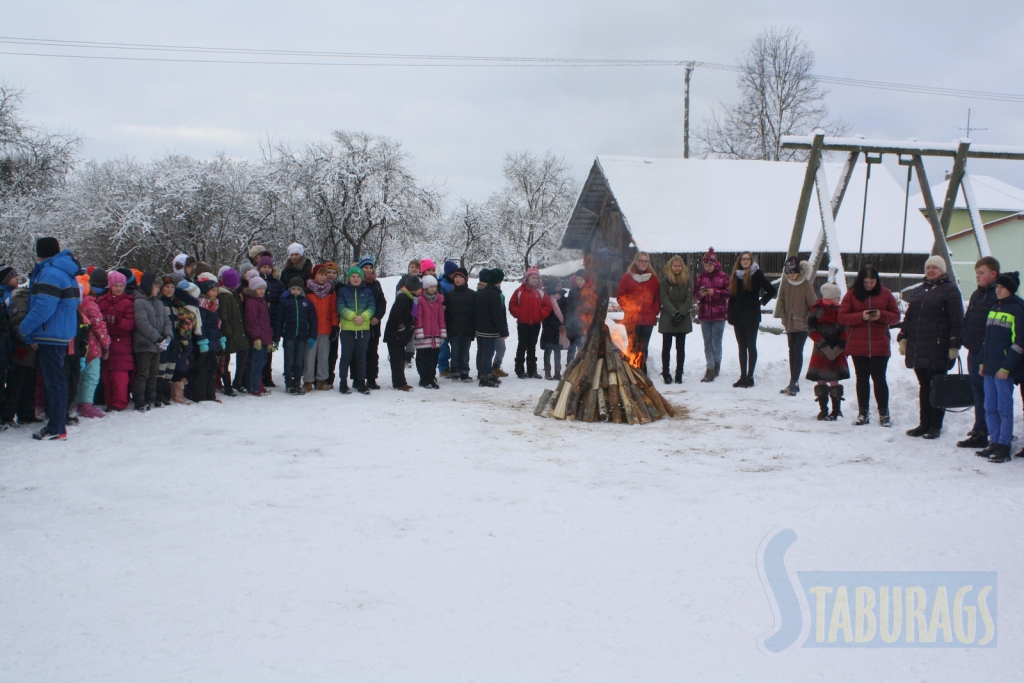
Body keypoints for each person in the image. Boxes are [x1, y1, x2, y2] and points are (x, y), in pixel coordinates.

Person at [17, 237, 82, 440]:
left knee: (55, 382)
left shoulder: (50, 272)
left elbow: (44, 306)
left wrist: (24, 329)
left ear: (40, 252)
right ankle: (57, 424)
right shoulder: (65, 271)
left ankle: (56, 428)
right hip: (60, 332)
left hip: (50, 333)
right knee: (57, 380)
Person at [898, 255, 964, 439]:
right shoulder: (919, 290)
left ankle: (935, 425)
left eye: (935, 267)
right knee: (924, 385)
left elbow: (957, 320)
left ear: (942, 270)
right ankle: (924, 423)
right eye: (928, 268)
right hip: (919, 346)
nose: (931, 270)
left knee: (937, 386)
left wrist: (954, 345)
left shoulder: (951, 291)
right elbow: (910, 317)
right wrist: (903, 337)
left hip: (938, 346)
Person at [838, 264, 901, 426]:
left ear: (877, 280)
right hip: (858, 344)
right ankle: (863, 412)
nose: (869, 285)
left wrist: (881, 315)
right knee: (862, 379)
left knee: (880, 378)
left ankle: (884, 413)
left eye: (872, 282)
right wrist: (861, 316)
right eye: (866, 282)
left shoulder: (886, 294)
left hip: (880, 343)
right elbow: (842, 317)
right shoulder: (852, 294)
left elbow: (896, 317)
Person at [975, 271, 1024, 463]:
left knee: (1004, 408)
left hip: (1004, 370)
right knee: (989, 407)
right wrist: (982, 361)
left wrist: (1007, 367)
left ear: (1010, 289)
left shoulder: (1018, 309)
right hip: (989, 367)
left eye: (1002, 287)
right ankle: (994, 441)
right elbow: (986, 340)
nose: (998, 290)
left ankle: (1004, 444)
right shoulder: (994, 307)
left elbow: (1019, 342)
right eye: (997, 287)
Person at [956, 256, 1000, 449]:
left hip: (990, 353)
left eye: (981, 273)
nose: (978, 277)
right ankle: (980, 429)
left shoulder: (998, 295)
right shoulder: (977, 294)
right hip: (974, 350)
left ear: (993, 274)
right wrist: (964, 337)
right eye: (976, 273)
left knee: (991, 394)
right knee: (978, 392)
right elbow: (969, 317)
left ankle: (995, 433)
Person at [727, 251, 777, 388]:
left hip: (751, 316)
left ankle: (750, 376)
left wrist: (761, 302)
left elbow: (772, 290)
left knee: (751, 345)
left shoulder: (757, 274)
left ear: (751, 261)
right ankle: (743, 376)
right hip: (738, 316)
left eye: (747, 259)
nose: (745, 261)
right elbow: (732, 297)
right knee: (741, 346)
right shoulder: (736, 275)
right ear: (740, 261)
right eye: (743, 259)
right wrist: (730, 314)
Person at [807, 282, 849, 420]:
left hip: (837, 350)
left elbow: (846, 330)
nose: (839, 299)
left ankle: (836, 410)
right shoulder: (816, 310)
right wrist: (823, 345)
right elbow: (812, 330)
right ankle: (823, 409)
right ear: (831, 297)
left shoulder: (842, 311)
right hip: (821, 350)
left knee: (834, 380)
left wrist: (839, 348)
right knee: (821, 380)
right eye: (837, 297)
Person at [775, 257, 817, 395]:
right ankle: (792, 381)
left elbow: (814, 305)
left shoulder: (806, 285)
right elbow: (781, 300)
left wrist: (806, 319)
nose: (791, 277)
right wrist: (784, 315)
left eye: (793, 274)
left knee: (797, 351)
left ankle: (795, 381)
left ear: (799, 272)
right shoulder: (786, 283)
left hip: (802, 326)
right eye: (788, 274)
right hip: (789, 324)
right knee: (791, 351)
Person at [616, 252, 661, 375]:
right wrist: (629, 309)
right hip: (632, 318)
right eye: (641, 260)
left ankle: (642, 371)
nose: (643, 263)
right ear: (636, 261)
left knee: (644, 347)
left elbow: (657, 297)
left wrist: (655, 311)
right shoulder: (627, 277)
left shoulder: (653, 279)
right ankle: (632, 372)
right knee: (632, 346)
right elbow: (621, 296)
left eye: (646, 261)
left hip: (647, 318)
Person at [97, 270, 136, 412]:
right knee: (107, 378)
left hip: (122, 345)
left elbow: (131, 324)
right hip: (105, 343)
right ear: (110, 286)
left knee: (119, 377)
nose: (118, 289)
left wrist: (118, 321)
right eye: (116, 286)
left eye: (121, 286)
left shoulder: (127, 302)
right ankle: (109, 402)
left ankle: (119, 403)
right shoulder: (101, 301)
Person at [132, 273, 172, 411]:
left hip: (157, 345)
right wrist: (158, 337)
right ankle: (139, 398)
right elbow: (142, 323)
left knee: (154, 372)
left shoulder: (159, 302)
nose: (157, 289)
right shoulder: (140, 302)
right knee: (143, 373)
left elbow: (167, 321)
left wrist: (167, 336)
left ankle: (152, 396)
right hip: (145, 344)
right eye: (156, 286)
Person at [274, 277, 318, 395]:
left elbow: (313, 320)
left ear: (301, 290)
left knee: (299, 361)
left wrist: (313, 335)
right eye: (293, 289)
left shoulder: (306, 303)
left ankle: (297, 382)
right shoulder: (284, 302)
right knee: (289, 360)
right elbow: (279, 321)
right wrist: (276, 337)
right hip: (289, 336)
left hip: (302, 336)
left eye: (298, 289)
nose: (295, 291)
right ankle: (289, 382)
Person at [337, 265, 376, 395]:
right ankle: (343, 382)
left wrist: (363, 317)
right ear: (349, 278)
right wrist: (353, 317)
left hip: (363, 329)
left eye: (358, 276)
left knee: (361, 357)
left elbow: (371, 306)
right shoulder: (343, 291)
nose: (355, 278)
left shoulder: (367, 291)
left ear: (362, 278)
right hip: (348, 329)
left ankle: (361, 382)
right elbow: (340, 306)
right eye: (353, 276)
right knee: (346, 357)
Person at [694, 248, 730, 382]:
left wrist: (714, 292)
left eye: (710, 265)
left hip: (718, 315)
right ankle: (710, 368)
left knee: (716, 342)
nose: (707, 268)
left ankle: (717, 364)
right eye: (705, 265)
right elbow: (695, 295)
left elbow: (728, 293)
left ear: (715, 264)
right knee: (707, 342)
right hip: (704, 315)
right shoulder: (700, 278)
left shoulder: (723, 277)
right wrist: (700, 294)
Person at [509, 267, 552, 379]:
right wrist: (519, 313)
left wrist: (541, 314)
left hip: (536, 324)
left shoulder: (541, 292)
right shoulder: (519, 291)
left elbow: (548, 305)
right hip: (523, 323)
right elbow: (512, 304)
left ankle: (532, 370)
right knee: (522, 345)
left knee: (532, 346)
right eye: (533, 277)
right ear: (527, 278)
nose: (535, 280)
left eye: (537, 278)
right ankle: (519, 369)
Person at [303, 263, 339, 391]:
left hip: (326, 328)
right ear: (314, 275)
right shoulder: (307, 291)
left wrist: (335, 326)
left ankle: (321, 380)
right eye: (321, 274)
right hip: (311, 330)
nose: (324, 277)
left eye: (325, 275)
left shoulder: (330, 290)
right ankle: (308, 381)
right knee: (309, 357)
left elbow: (334, 310)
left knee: (323, 357)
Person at [659, 255, 693, 384]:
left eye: (679, 266)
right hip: (668, 315)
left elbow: (689, 299)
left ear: (682, 267)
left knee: (680, 347)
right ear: (671, 267)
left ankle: (679, 372)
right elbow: (664, 298)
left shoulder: (687, 281)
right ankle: (666, 372)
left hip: (682, 317)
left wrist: (681, 313)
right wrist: (674, 313)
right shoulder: (665, 281)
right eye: (675, 266)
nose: (677, 268)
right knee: (666, 346)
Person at [384, 275, 422, 391]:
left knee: (400, 358)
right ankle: (399, 383)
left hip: (401, 335)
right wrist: (401, 328)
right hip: (395, 335)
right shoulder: (403, 298)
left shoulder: (411, 298)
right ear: (415, 289)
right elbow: (395, 316)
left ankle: (400, 381)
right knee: (397, 359)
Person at [356, 255, 387, 390]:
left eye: (370, 267)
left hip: (374, 324)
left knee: (372, 353)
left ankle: (372, 378)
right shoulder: (356, 282)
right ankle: (358, 378)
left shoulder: (376, 284)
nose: (368, 270)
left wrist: (377, 317)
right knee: (359, 353)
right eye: (365, 267)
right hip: (359, 324)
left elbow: (382, 302)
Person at [216, 268, 248, 398]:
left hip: (237, 331)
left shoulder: (234, 294)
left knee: (242, 353)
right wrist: (228, 332)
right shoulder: (224, 296)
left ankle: (237, 382)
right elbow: (224, 317)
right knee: (225, 359)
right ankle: (228, 386)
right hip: (229, 333)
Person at [475, 268, 508, 387]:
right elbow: (497, 315)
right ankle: (485, 376)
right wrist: (502, 331)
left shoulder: (483, 292)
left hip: (482, 328)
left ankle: (487, 374)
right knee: (488, 353)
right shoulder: (494, 294)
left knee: (485, 352)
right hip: (490, 330)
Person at [193, 276, 223, 403]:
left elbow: (217, 323)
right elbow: (201, 325)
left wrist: (221, 337)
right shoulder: (202, 305)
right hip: (205, 341)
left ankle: (211, 395)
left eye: (216, 290)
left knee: (212, 369)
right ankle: (200, 395)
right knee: (203, 370)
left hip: (214, 340)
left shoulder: (214, 305)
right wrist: (202, 340)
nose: (215, 293)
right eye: (213, 291)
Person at [257, 254, 285, 388]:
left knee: (269, 348)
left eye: (269, 267)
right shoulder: (256, 281)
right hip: (259, 319)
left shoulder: (278, 283)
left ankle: (267, 375)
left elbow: (282, 300)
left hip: (273, 319)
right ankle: (258, 375)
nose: (266, 269)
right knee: (259, 349)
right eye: (264, 267)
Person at [242, 275, 273, 397]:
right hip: (257, 338)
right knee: (255, 362)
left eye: (263, 288)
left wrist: (269, 340)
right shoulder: (251, 302)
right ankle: (252, 385)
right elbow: (251, 321)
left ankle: (258, 383)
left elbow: (266, 322)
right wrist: (256, 337)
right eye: (259, 288)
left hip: (264, 337)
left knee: (262, 362)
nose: (261, 291)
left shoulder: (262, 302)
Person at [414, 275, 446, 389]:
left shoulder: (438, 300)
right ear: (425, 287)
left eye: (434, 286)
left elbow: (441, 317)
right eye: (430, 286)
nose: (433, 288)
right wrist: (419, 331)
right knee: (423, 357)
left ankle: (431, 377)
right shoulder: (419, 300)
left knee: (433, 357)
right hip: (424, 334)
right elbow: (418, 316)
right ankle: (423, 378)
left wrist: (442, 331)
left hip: (435, 334)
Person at [444, 267, 476, 383]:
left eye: (460, 277)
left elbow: (475, 313)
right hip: (453, 328)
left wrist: (474, 329)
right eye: (456, 277)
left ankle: (465, 372)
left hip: (467, 328)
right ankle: (455, 372)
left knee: (465, 351)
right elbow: (446, 314)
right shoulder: (449, 295)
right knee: (455, 351)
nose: (457, 279)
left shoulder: (472, 294)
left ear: (465, 279)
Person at [564, 270, 595, 365]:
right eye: (577, 279)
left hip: (586, 324)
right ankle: (569, 365)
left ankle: (582, 365)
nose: (578, 282)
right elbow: (569, 308)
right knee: (572, 347)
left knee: (583, 347)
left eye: (581, 279)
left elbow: (593, 309)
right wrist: (568, 324)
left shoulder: (592, 291)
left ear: (586, 279)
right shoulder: (573, 292)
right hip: (573, 324)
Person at [540, 276, 568, 381]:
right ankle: (547, 372)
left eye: (560, 285)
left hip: (560, 329)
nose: (560, 287)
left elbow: (567, 313)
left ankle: (557, 372)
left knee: (558, 351)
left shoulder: (564, 299)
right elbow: (547, 316)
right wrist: (558, 325)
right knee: (548, 350)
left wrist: (564, 324)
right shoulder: (546, 298)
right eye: (557, 285)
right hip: (549, 329)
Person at [437, 260, 458, 378]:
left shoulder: (456, 283)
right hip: (444, 318)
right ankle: (443, 367)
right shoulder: (442, 284)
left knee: (454, 344)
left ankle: (454, 366)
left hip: (455, 318)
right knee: (444, 345)